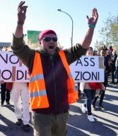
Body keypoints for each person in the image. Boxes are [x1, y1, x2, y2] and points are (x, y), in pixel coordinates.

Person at [12, 1, 98, 135]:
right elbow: (17, 46)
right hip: (42, 115)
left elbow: (82, 48)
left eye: (54, 38)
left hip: (62, 113)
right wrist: (20, 23)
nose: (51, 41)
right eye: (47, 39)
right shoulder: (32, 57)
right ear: (40, 42)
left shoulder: (64, 56)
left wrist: (91, 27)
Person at [80, 47, 104, 122]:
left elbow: (100, 72)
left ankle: (84, 105)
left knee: (92, 98)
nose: (90, 52)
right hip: (86, 83)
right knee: (89, 98)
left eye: (91, 51)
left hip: (94, 83)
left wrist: (103, 67)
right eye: (88, 51)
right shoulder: (82, 60)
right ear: (86, 53)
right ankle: (89, 114)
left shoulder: (97, 60)